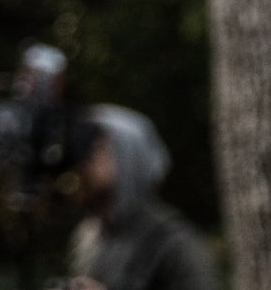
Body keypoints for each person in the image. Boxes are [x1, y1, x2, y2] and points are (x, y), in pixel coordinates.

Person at [64, 106, 214, 290]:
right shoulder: (93, 236)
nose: (86, 160)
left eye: (98, 148)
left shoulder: (173, 242)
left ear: (128, 156)